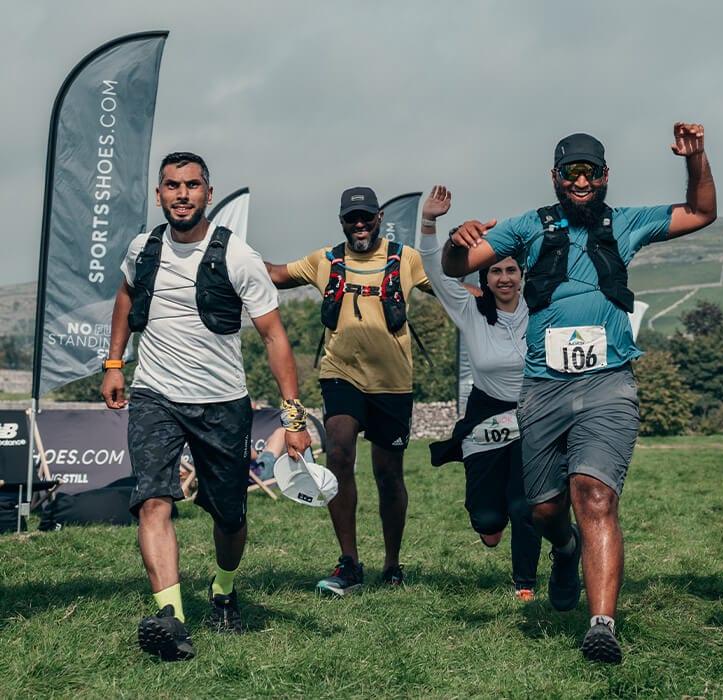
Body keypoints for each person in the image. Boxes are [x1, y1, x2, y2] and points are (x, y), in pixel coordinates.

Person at [440, 123, 716, 663]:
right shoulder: (528, 227)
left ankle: (602, 625)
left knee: (594, 495)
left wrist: (697, 158)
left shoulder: (626, 223)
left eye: (592, 171)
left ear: (606, 176)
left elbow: (701, 211)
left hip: (609, 381)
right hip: (543, 387)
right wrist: (457, 242)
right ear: (556, 178)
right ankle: (564, 550)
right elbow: (457, 267)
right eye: (572, 172)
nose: (583, 180)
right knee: (543, 509)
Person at [101, 152, 312, 661]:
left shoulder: (239, 257)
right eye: (172, 185)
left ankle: (223, 590)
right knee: (153, 500)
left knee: (230, 516)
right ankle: (171, 618)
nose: (181, 194)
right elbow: (127, 298)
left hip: (221, 403)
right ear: (159, 194)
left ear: (208, 194)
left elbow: (274, 336)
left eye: (192, 185)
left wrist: (294, 416)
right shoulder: (142, 249)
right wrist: (114, 362)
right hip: (155, 395)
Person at [265, 187, 431, 594]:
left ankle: (392, 564)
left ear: (378, 218)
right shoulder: (325, 260)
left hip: (393, 383)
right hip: (340, 375)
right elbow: (276, 274)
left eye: (365, 218)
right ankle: (349, 562)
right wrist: (226, 251)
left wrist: (499, 293)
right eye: (350, 219)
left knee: (388, 473)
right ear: (342, 221)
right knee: (338, 452)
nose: (359, 225)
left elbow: (448, 283)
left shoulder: (404, 259)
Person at [417, 184, 545, 601]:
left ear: (522, 275)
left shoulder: (542, 312)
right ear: (483, 278)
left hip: (532, 413)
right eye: (495, 271)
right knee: (488, 522)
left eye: (510, 270)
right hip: (486, 415)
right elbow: (435, 270)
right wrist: (430, 222)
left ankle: (525, 583)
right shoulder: (470, 311)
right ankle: (493, 518)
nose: (504, 278)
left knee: (526, 506)